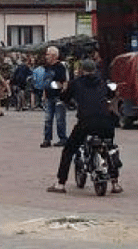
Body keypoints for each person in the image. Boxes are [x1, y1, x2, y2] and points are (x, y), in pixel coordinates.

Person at [48, 58, 122, 194]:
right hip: (106, 122)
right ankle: (115, 183)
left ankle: (60, 184)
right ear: (95, 70)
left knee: (68, 150)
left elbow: (65, 97)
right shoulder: (102, 82)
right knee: (110, 147)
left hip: (86, 122)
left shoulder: (76, 83)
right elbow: (111, 94)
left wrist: (64, 96)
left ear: (82, 70)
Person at [39, 46, 69, 148]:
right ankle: (47, 139)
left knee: (60, 119)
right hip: (49, 96)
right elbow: (45, 82)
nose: (46, 56)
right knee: (48, 119)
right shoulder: (47, 67)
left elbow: (64, 82)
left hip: (58, 97)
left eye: (47, 54)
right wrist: (44, 94)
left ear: (54, 56)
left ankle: (63, 138)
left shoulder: (60, 67)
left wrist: (62, 93)